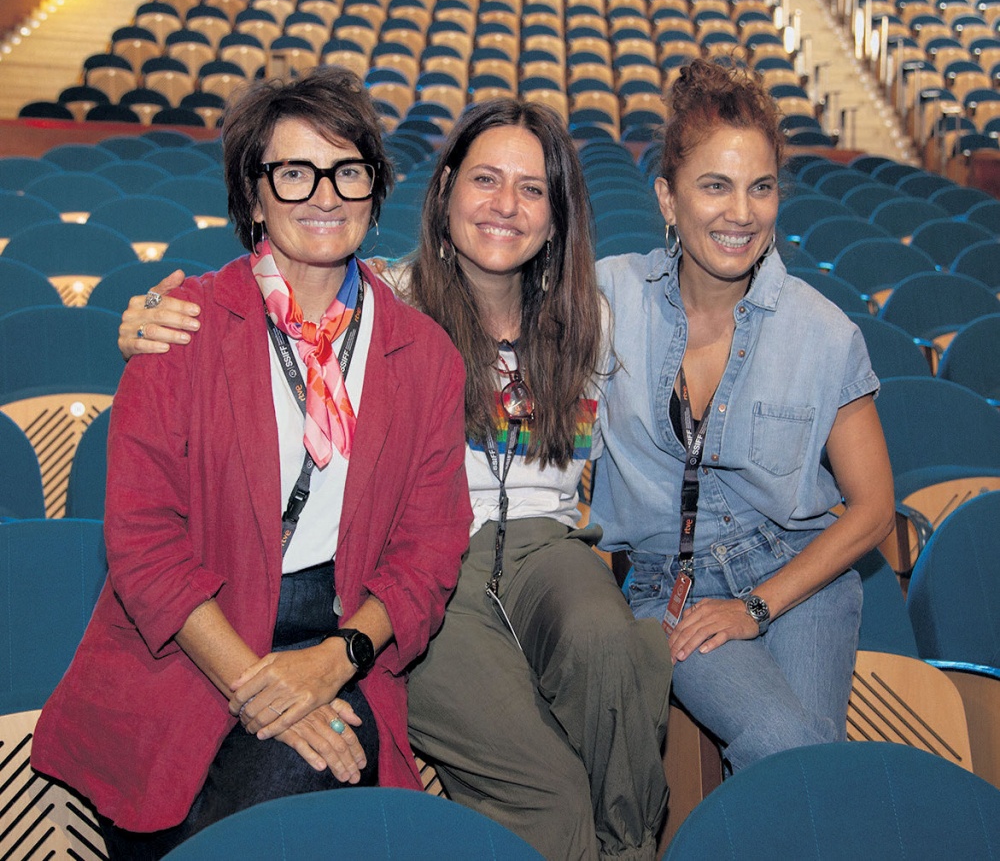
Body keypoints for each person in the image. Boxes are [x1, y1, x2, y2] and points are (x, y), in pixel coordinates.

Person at [116, 98, 673, 861]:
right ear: (442, 191)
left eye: (533, 188)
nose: (506, 205)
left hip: (516, 553)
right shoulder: (393, 300)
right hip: (402, 573)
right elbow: (148, 534)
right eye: (485, 179)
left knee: (613, 647)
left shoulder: (586, 320)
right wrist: (145, 319)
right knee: (534, 784)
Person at [32, 66, 472, 859]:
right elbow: (142, 543)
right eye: (295, 172)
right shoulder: (181, 327)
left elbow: (430, 550)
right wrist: (263, 688)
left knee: (291, 786)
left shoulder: (426, 354)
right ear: (254, 194)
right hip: (194, 639)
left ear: (374, 190)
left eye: (348, 171)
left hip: (342, 635)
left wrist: (333, 664)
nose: (325, 195)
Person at [592, 58, 896, 774]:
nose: (742, 212)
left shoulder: (824, 333)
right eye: (715, 186)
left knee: (800, 765)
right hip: (668, 588)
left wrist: (756, 606)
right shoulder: (609, 299)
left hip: (801, 578)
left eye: (761, 187)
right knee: (796, 753)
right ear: (668, 198)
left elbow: (875, 509)